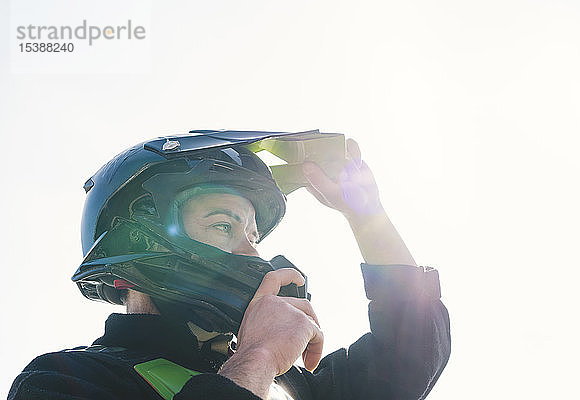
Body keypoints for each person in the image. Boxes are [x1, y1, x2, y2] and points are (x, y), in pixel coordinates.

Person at [8, 130, 450, 400]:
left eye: (254, 236)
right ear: (139, 243)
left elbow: (410, 353)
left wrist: (367, 216)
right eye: (223, 227)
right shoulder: (65, 380)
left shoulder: (295, 386)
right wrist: (257, 356)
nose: (253, 255)